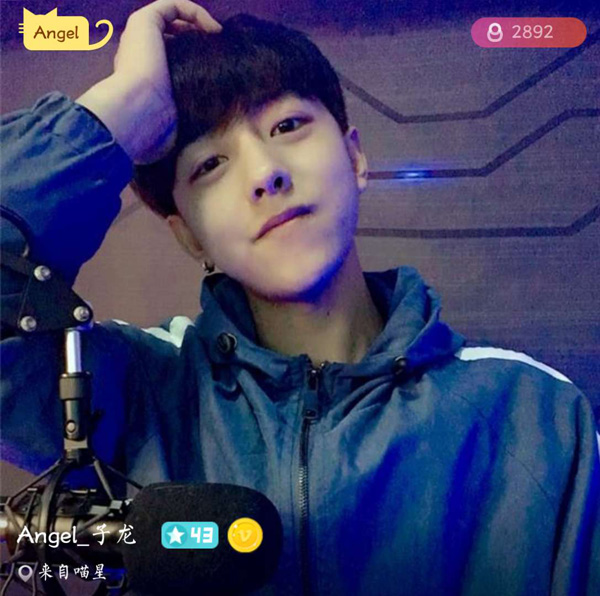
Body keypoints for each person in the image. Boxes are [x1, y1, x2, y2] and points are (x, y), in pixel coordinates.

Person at [1, 1, 598, 594]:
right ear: (188, 235)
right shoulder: (135, 392)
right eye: (210, 164)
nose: (265, 173)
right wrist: (122, 106)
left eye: (287, 127)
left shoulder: (534, 417)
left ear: (355, 156)